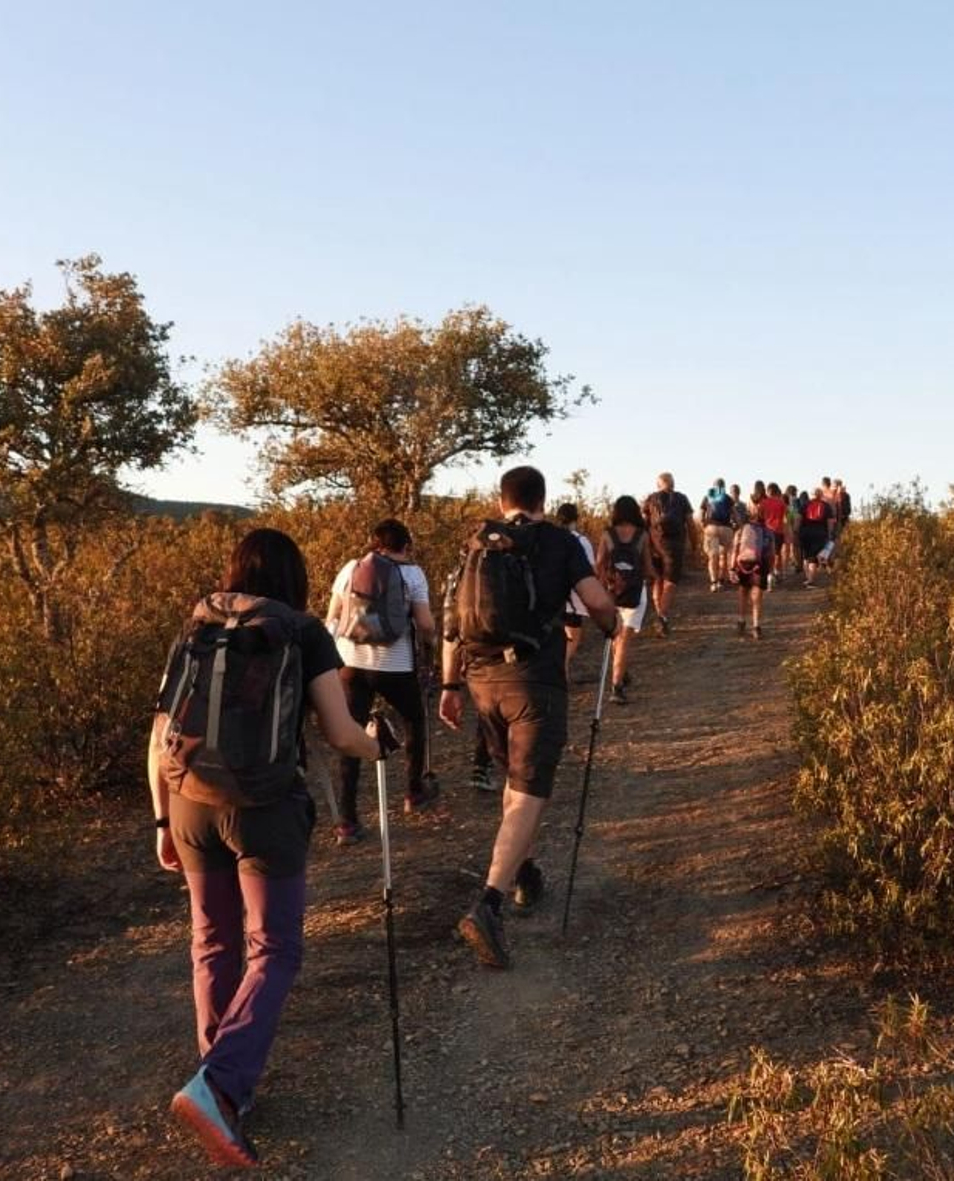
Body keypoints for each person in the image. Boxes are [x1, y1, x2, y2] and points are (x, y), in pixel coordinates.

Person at [151, 527, 394, 1167]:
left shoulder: (196, 624)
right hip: (263, 811)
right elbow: (341, 734)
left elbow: (160, 731)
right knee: (276, 948)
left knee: (213, 940)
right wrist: (377, 747)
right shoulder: (301, 630)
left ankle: (224, 1080)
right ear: (293, 576)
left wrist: (161, 823)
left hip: (190, 804)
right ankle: (220, 1085)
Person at [440, 466, 618, 968]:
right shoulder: (559, 541)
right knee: (530, 789)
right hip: (534, 683)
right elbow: (598, 602)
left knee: (514, 782)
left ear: (502, 501)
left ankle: (523, 870)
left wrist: (450, 685)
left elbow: (454, 621)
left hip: (480, 682)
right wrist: (611, 625)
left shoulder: (476, 543)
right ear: (543, 499)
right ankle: (488, 904)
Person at [324, 518, 441, 846]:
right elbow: (425, 623)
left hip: (350, 663)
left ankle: (347, 821)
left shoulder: (350, 568)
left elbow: (332, 616)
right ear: (406, 546)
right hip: (395, 665)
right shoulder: (413, 574)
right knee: (414, 720)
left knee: (350, 735)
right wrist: (430, 644)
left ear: (374, 544)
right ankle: (414, 792)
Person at [596, 495, 656, 706]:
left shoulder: (607, 535)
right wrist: (653, 578)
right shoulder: (642, 535)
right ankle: (616, 686)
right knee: (625, 639)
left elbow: (599, 564)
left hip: (612, 591)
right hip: (635, 592)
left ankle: (619, 672)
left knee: (615, 635)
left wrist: (603, 586)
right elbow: (648, 567)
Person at [641, 472, 699, 636]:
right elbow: (690, 524)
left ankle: (661, 616)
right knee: (671, 582)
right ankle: (662, 617)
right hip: (674, 545)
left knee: (658, 579)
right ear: (672, 483)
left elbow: (642, 524)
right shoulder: (681, 498)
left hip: (654, 545)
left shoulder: (651, 499)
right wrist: (694, 545)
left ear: (659, 484)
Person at [555, 503, 596, 683]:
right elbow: (590, 570)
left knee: (561, 637)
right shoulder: (580, 540)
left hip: (553, 597)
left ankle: (561, 673)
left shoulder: (551, 538)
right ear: (576, 518)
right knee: (572, 639)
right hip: (573, 597)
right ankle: (560, 675)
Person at [733, 496, 775, 639]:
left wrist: (732, 568)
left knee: (743, 593)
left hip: (742, 564)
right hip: (760, 565)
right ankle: (756, 626)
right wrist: (771, 571)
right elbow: (771, 553)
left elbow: (735, 550)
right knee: (757, 597)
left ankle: (741, 621)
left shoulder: (741, 530)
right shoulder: (768, 532)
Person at [700, 476, 737, 592]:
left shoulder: (708, 496)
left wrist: (703, 526)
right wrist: (737, 526)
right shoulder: (727, 498)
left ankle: (713, 582)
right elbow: (734, 514)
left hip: (711, 528)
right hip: (726, 529)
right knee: (724, 555)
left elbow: (701, 513)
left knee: (712, 556)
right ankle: (722, 581)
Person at [798, 485, 836, 588]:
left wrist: (797, 530)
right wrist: (830, 533)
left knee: (806, 556)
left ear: (811, 495)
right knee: (813, 557)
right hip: (820, 533)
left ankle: (808, 578)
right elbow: (830, 522)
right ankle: (810, 580)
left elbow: (799, 519)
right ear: (821, 495)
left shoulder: (805, 505)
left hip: (805, 533)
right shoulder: (826, 506)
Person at [758, 483, 789, 590]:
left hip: (766, 531)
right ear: (776, 491)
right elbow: (787, 517)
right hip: (778, 531)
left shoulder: (763, 503)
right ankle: (776, 573)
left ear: (768, 491)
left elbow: (760, 517)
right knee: (777, 554)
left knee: (766, 554)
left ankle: (768, 575)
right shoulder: (782, 503)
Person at [781, 484, 802, 576]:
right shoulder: (795, 501)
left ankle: (787, 566)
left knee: (785, 548)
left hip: (785, 526)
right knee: (795, 547)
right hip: (792, 526)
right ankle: (797, 565)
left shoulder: (785, 501)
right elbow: (796, 514)